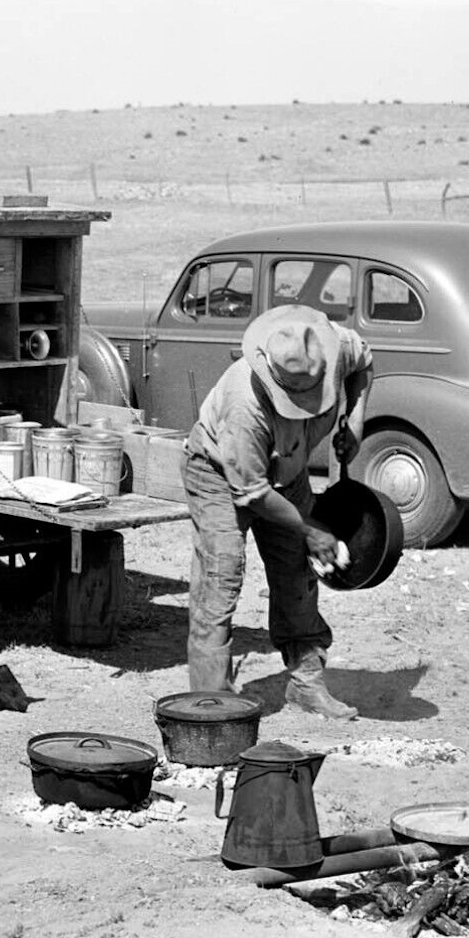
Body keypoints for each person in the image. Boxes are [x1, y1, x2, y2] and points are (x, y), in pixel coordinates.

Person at [183, 304, 372, 719]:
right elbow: (253, 493)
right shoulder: (244, 406)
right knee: (222, 575)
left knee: (297, 573)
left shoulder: (333, 349)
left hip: (288, 471)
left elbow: (365, 363)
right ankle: (211, 706)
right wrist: (310, 529)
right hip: (218, 474)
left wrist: (355, 423)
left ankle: (307, 685)